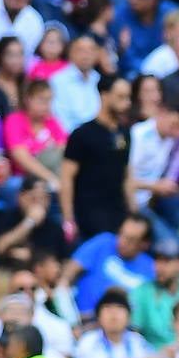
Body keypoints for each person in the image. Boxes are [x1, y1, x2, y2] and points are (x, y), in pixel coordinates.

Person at [60, 73, 132, 243]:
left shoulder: (125, 133)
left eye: (128, 97)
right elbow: (66, 177)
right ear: (104, 96)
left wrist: (133, 209)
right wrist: (68, 219)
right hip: (90, 211)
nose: (127, 103)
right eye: (121, 97)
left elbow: (126, 173)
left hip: (118, 209)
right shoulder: (82, 134)